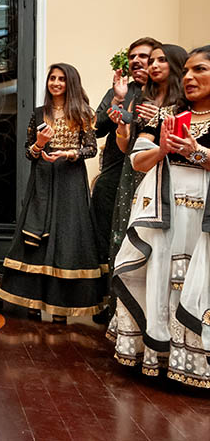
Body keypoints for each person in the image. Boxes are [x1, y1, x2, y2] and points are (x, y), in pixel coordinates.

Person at [112, 45, 210, 388]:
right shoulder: (165, 115)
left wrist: (198, 152)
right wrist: (163, 149)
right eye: (187, 71)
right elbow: (137, 161)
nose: (189, 77)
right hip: (165, 212)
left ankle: (198, 362)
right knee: (163, 276)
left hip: (204, 217)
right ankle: (160, 357)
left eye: (200, 70)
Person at [0, 63, 106, 323]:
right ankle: (33, 303)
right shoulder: (39, 113)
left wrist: (68, 154)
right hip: (43, 180)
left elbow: (90, 149)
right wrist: (40, 144)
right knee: (36, 238)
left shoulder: (83, 113)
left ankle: (62, 308)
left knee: (68, 238)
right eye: (52, 78)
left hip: (70, 181)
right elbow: (28, 152)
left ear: (70, 82)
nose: (56, 83)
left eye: (61, 79)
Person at [108, 44, 187, 269]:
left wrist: (162, 116)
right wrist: (122, 127)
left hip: (169, 175)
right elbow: (126, 146)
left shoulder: (186, 100)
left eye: (160, 60)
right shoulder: (143, 98)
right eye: (151, 61)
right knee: (128, 232)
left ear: (176, 64)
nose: (153, 65)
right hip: (134, 171)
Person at [91, 37, 158, 265]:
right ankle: (104, 293)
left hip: (151, 175)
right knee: (105, 233)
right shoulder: (121, 90)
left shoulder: (165, 93)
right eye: (132, 57)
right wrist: (118, 99)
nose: (136, 60)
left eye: (143, 56)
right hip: (114, 171)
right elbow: (96, 129)